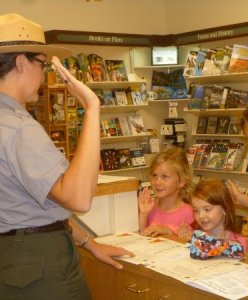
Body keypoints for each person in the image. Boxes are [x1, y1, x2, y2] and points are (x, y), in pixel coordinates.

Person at [0, 13, 133, 300]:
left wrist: (88, 242)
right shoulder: (18, 128)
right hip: (42, 263)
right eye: (42, 64)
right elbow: (78, 198)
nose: (44, 73)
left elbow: (37, 203)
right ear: (21, 63)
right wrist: (93, 106)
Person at [178, 177, 248, 251]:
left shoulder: (240, 243)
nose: (200, 216)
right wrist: (187, 242)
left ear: (225, 209)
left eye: (207, 209)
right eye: (196, 211)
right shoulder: (194, 236)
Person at [138, 146, 194, 237]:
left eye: (165, 176)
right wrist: (144, 214)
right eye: (154, 175)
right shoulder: (149, 206)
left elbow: (190, 245)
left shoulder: (189, 212)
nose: (157, 182)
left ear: (181, 182)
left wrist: (169, 231)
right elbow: (143, 238)